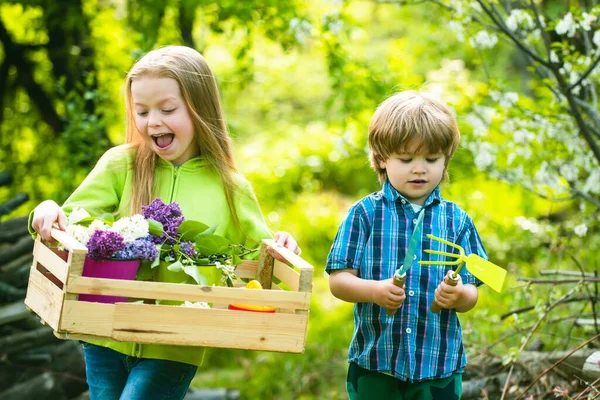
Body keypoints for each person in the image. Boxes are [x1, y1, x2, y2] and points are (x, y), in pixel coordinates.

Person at [30, 45, 300, 400]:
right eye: (141, 111)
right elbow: (70, 223)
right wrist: (47, 209)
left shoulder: (230, 187)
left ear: (199, 108)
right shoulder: (120, 166)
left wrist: (280, 245)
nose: (152, 121)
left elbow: (255, 262)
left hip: (175, 342)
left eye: (167, 109)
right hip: (104, 333)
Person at [326, 91, 487, 399]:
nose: (419, 168)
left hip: (438, 367)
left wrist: (458, 294)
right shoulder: (364, 214)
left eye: (431, 159)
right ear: (382, 158)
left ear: (445, 160)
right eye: (406, 158)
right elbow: (338, 281)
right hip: (376, 365)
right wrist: (374, 291)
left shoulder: (457, 221)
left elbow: (472, 292)